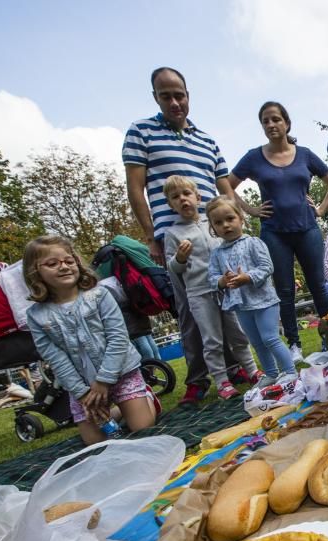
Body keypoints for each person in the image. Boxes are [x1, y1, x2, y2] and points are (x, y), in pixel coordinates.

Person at [123, 66, 253, 403]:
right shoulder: (141, 132)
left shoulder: (207, 140)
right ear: (156, 98)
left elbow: (224, 187)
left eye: (179, 94)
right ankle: (199, 378)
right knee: (192, 312)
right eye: (165, 96)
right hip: (176, 237)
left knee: (230, 305)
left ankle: (237, 365)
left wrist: (241, 222)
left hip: (215, 234)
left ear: (188, 95)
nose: (174, 101)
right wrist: (152, 236)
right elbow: (135, 188)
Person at [23, 235, 156, 445]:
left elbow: (118, 337)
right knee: (94, 442)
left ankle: (145, 397)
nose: (64, 267)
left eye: (69, 260)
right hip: (82, 386)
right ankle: (118, 411)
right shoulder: (36, 316)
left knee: (141, 428)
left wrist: (104, 381)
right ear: (35, 271)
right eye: (52, 263)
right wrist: (82, 393)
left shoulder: (100, 295)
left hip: (121, 373)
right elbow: (55, 359)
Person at [228, 102, 328, 363]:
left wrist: (321, 208)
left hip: (307, 229)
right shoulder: (254, 157)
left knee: (319, 286)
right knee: (284, 290)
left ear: (286, 123)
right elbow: (227, 185)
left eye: (276, 119)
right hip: (274, 233)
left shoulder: (305, 154)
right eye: (265, 121)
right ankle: (294, 344)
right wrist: (250, 210)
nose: (271, 125)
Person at [163, 175, 261, 399]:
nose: (183, 200)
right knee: (212, 339)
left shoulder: (214, 223)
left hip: (227, 289)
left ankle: (253, 370)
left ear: (197, 197)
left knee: (238, 333)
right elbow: (173, 269)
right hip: (199, 292)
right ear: (170, 205)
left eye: (187, 194)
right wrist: (179, 258)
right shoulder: (173, 234)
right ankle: (222, 382)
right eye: (175, 197)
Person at [206, 196, 297, 385]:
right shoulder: (217, 254)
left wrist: (247, 277)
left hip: (264, 301)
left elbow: (266, 266)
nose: (226, 225)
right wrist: (222, 281)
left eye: (230, 218)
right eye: (218, 222)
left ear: (241, 218)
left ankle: (290, 371)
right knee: (256, 343)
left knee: (270, 338)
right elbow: (212, 278)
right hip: (241, 305)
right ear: (212, 228)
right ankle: (271, 374)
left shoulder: (253, 243)